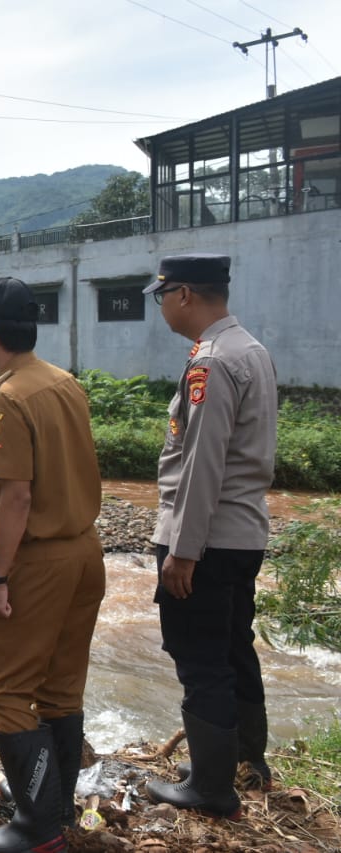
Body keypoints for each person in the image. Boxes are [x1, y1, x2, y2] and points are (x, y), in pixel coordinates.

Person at [0, 276, 106, 853]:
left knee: (5, 685)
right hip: (85, 553)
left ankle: (37, 828)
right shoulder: (65, 382)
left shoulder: (8, 398)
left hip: (39, 560)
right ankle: (61, 812)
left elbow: (16, 497)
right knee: (61, 687)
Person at [141, 253, 277, 819]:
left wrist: (182, 551)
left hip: (209, 540)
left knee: (200, 657)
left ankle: (211, 788)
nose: (162, 307)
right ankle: (242, 761)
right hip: (241, 536)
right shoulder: (251, 349)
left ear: (184, 295)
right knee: (231, 646)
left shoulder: (214, 363)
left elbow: (202, 465)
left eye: (161, 296)